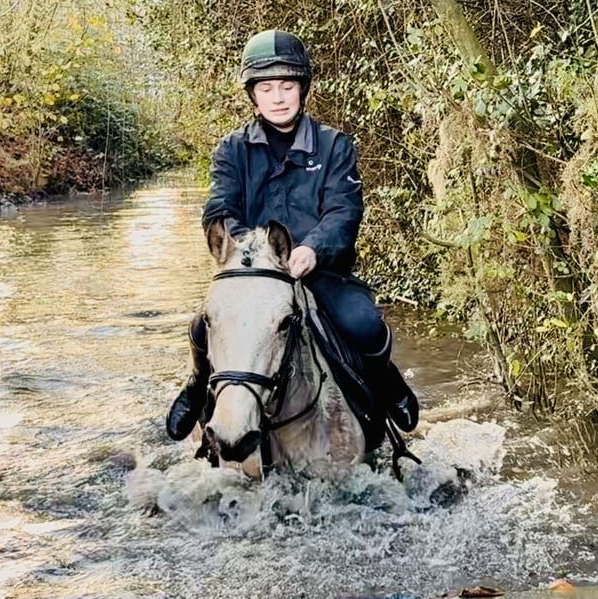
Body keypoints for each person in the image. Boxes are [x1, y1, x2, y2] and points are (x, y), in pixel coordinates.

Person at [165, 29, 418, 442]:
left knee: (364, 324)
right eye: (266, 88)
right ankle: (197, 385)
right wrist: (253, 249)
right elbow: (219, 209)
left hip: (320, 271)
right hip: (254, 274)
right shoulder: (232, 149)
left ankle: (386, 382)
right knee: (200, 327)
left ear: (302, 88)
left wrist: (313, 248)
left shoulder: (334, 145)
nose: (278, 97)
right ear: (253, 94)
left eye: (287, 86)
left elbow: (343, 210)